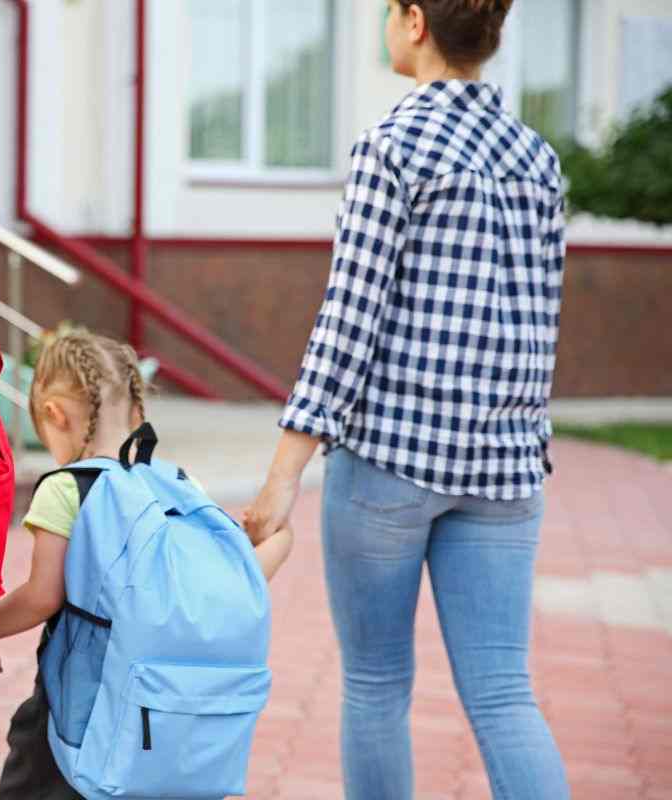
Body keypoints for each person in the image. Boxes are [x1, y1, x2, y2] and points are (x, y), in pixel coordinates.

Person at [245, 2, 570, 798]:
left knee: (376, 684)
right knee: (504, 693)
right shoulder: (539, 160)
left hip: (391, 461)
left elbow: (348, 318)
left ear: (415, 21)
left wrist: (285, 473)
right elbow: (543, 321)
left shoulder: (392, 145)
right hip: (504, 472)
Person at [0, 331, 294, 799]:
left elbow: (42, 596)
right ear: (137, 411)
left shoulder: (68, 487)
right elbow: (241, 575)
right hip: (168, 726)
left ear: (53, 414)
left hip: (77, 726)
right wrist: (282, 536)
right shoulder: (181, 485)